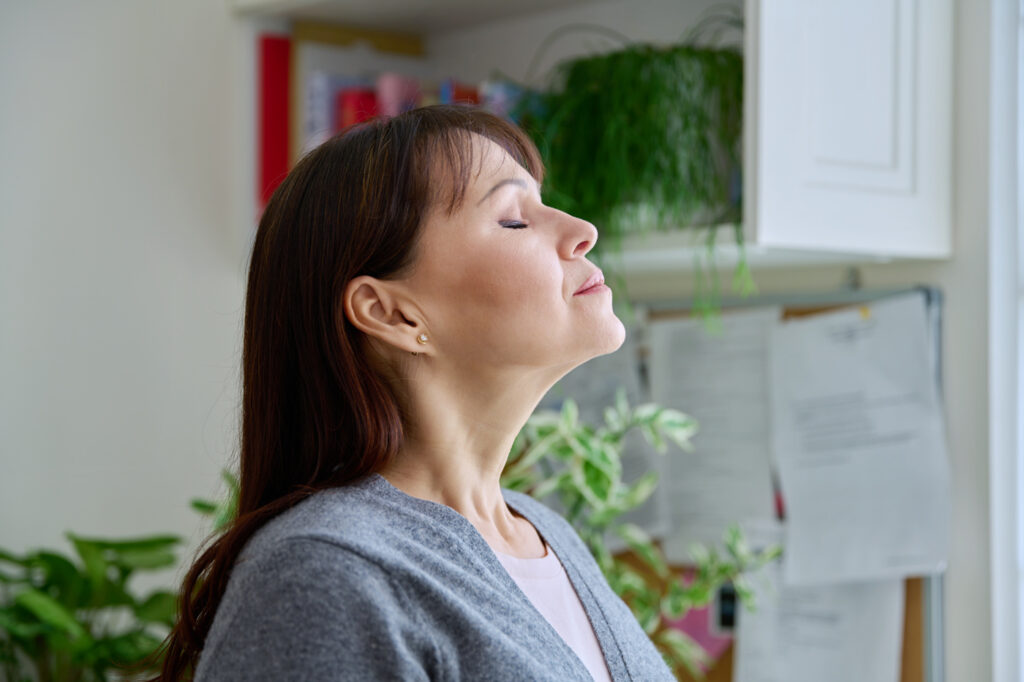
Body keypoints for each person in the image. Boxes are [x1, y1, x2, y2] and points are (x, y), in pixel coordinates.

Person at [154, 104, 674, 681]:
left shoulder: (548, 538)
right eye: (513, 220)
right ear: (392, 314)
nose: (583, 232)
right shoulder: (327, 571)